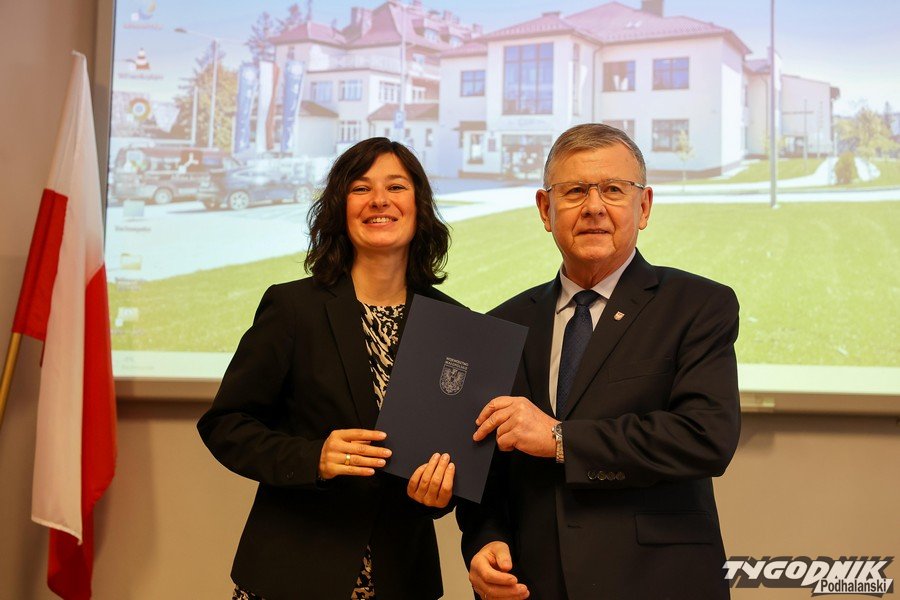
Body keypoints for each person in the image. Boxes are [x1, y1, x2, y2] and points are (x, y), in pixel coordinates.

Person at [457, 124, 741, 599]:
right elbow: (488, 470)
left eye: (613, 189)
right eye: (574, 191)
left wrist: (560, 439)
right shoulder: (503, 324)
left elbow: (705, 437)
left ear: (643, 206)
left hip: (658, 582)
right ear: (545, 210)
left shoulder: (698, 305)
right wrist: (485, 540)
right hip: (535, 583)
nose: (593, 207)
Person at [198, 137, 457, 600]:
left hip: (402, 578)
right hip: (292, 574)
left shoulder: (453, 324)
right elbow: (225, 424)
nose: (379, 200)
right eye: (361, 188)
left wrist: (441, 495)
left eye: (396, 186)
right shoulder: (293, 307)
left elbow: (451, 459)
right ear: (340, 208)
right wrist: (313, 457)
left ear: (419, 207)